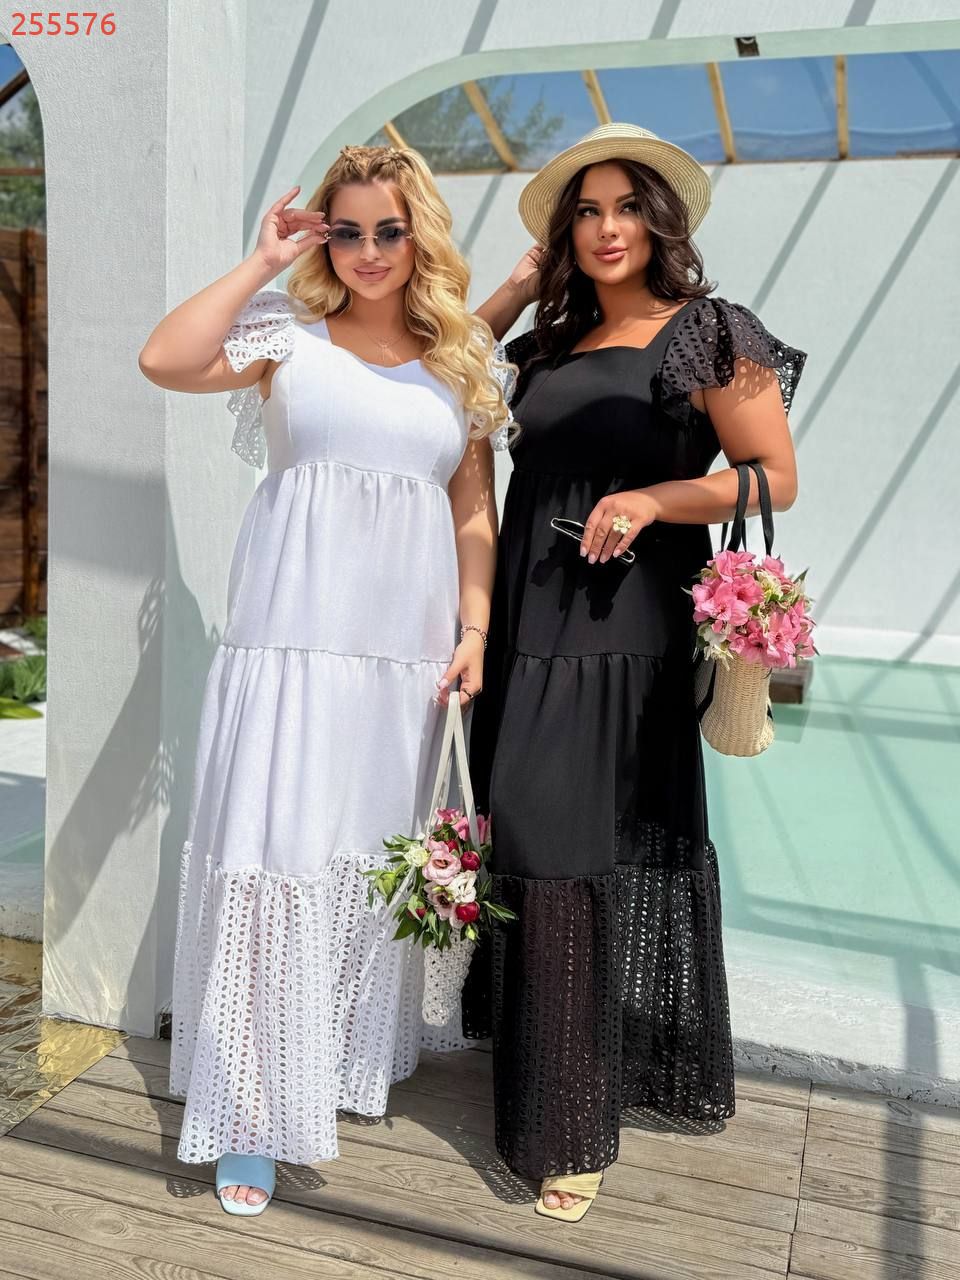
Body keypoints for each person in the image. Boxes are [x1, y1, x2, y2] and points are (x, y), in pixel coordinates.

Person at [138, 144, 511, 1215]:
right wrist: (262, 260)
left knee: (361, 858)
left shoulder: (462, 359)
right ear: (324, 238)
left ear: (419, 233)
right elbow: (165, 358)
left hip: (401, 660)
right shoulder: (286, 337)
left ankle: (336, 1060)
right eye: (347, 231)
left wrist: (475, 628)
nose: (369, 251)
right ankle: (251, 1110)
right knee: (277, 854)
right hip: (290, 649)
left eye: (389, 229)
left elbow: (471, 510)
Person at [467, 123, 807, 1222]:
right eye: (586, 210)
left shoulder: (710, 329)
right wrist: (519, 284)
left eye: (625, 207)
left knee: (562, 837)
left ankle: (568, 1123)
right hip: (526, 620)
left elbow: (774, 475)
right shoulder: (545, 345)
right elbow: (442, 364)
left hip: (626, 622)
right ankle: (556, 1060)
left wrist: (656, 498)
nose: (607, 228)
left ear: (660, 221)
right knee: (528, 831)